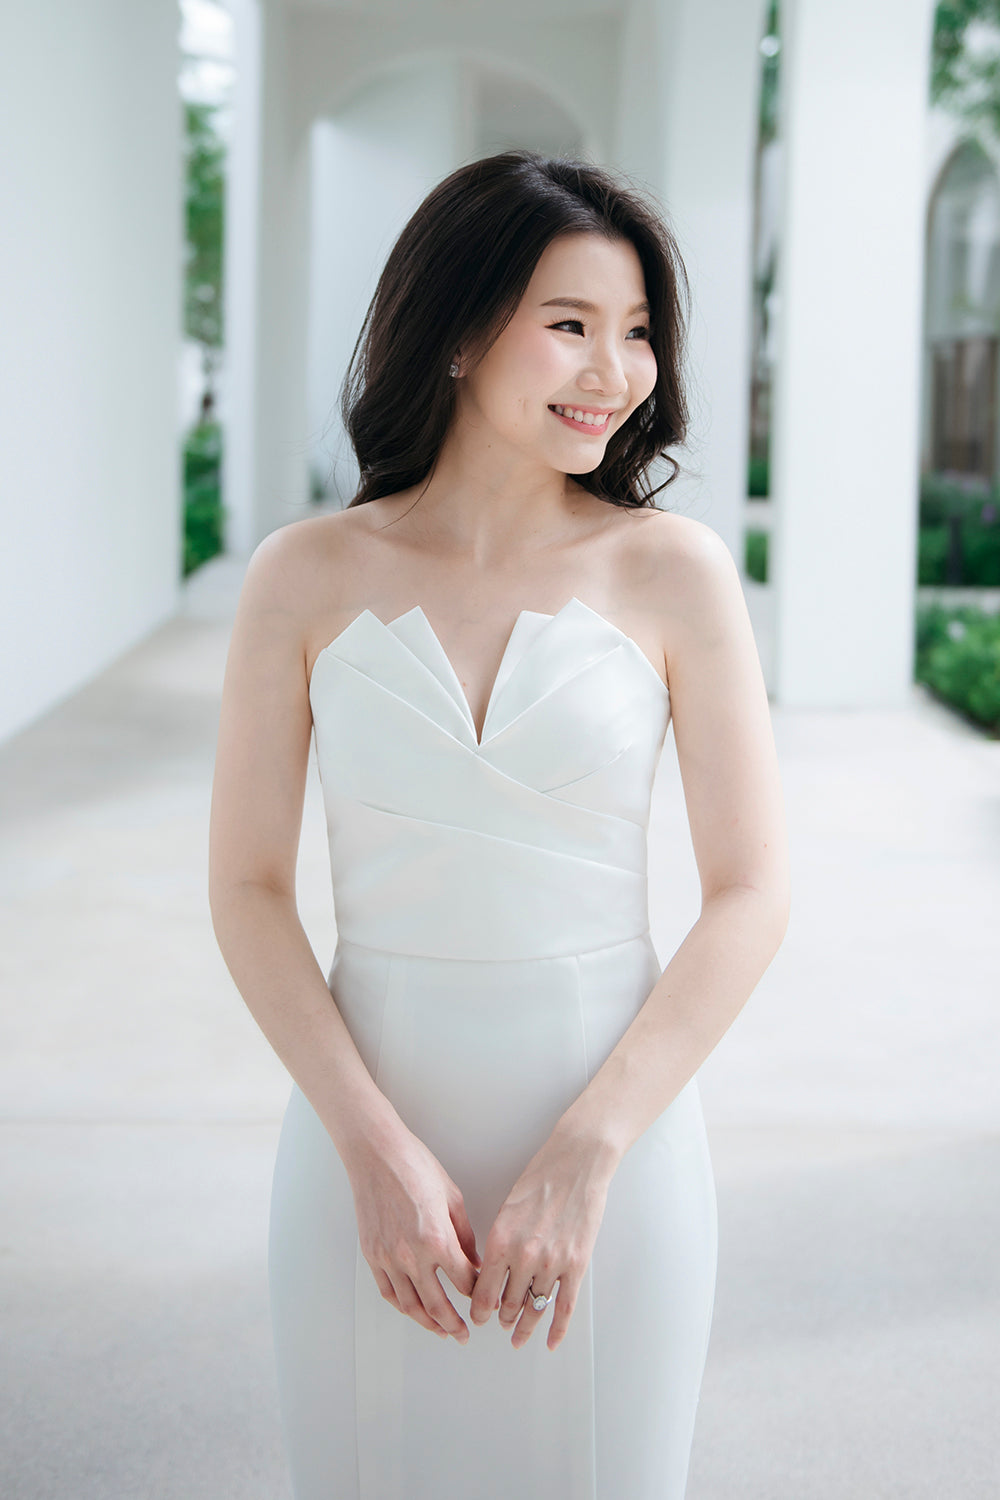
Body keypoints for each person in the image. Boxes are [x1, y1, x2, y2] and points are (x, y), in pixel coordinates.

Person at [208, 149, 790, 1500]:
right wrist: (372, 1151)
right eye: (573, 325)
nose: (618, 371)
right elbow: (245, 888)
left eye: (638, 333)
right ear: (463, 331)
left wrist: (589, 1154)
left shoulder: (673, 572)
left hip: (615, 1151)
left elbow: (753, 889)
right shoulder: (305, 576)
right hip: (363, 1150)